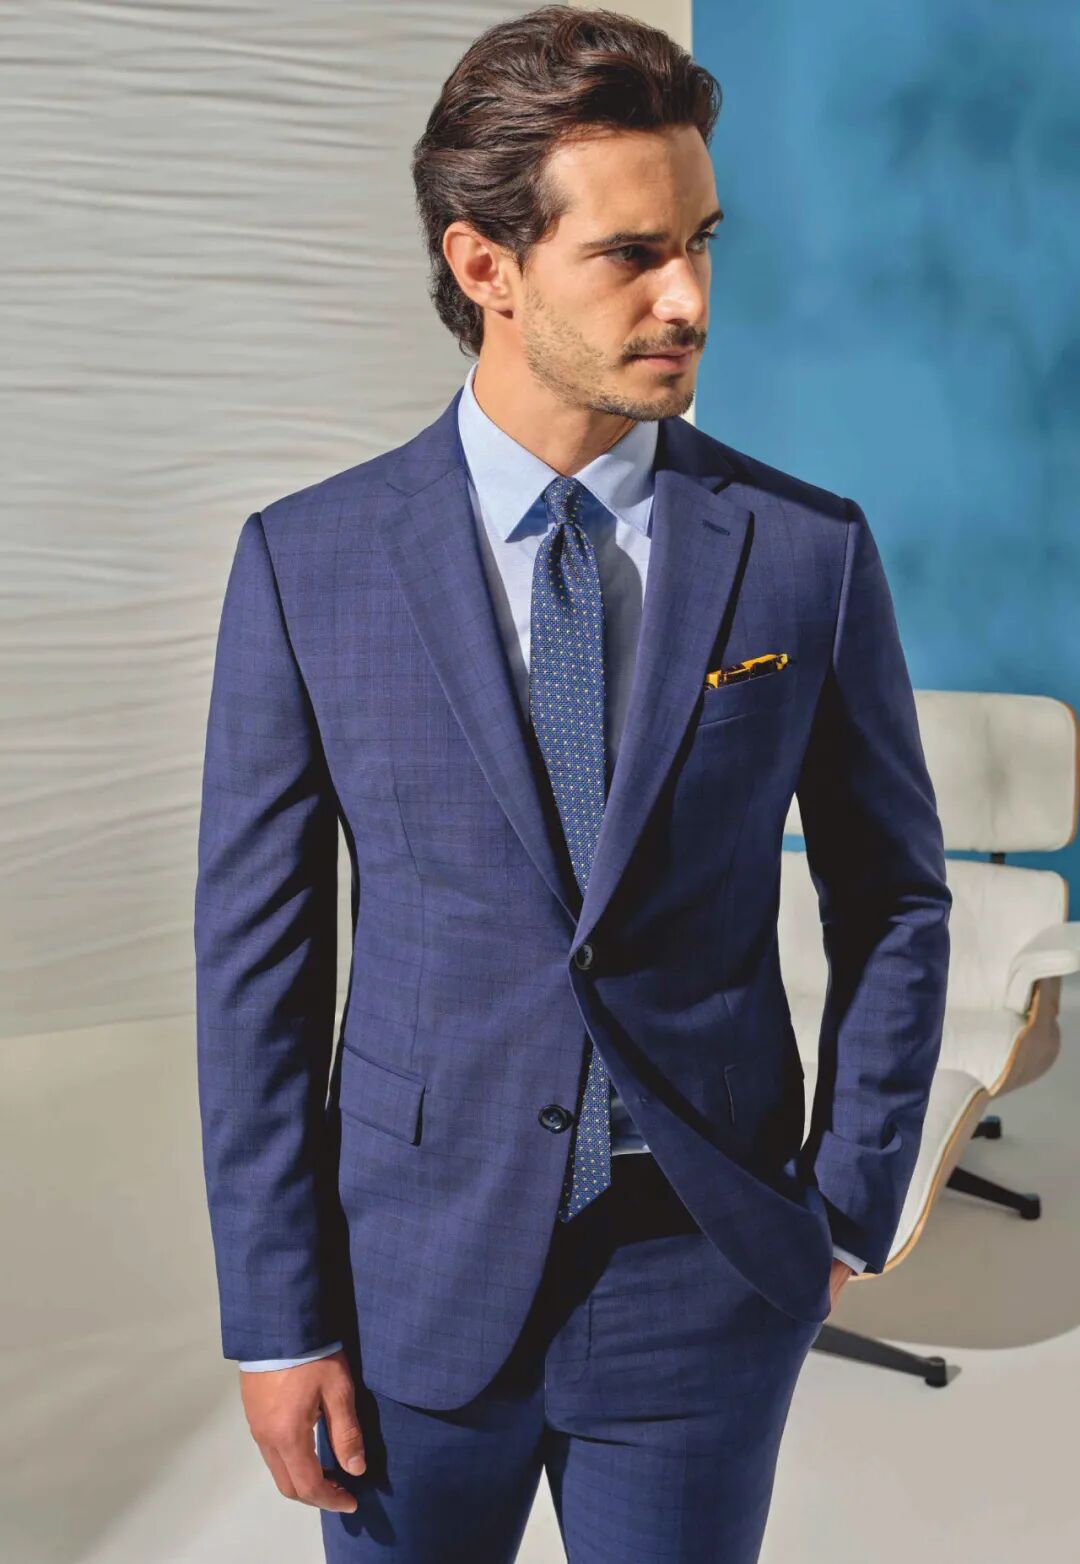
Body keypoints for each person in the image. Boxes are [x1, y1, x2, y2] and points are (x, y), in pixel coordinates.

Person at [194, 7, 951, 1560]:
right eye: (631, 255)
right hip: (411, 1278)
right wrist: (277, 1320)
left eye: (702, 243)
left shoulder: (805, 552)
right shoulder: (307, 565)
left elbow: (895, 898)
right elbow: (260, 973)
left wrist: (847, 1204)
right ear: (487, 266)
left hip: (709, 1271)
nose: (690, 299)